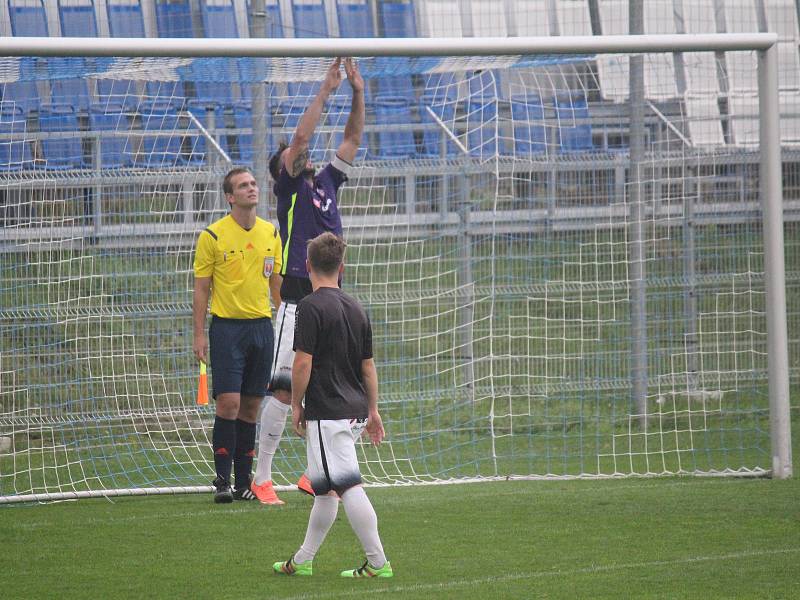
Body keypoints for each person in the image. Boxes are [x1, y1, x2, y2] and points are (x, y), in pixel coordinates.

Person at [252, 57, 365, 504]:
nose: (302, 153)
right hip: (300, 297)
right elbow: (301, 138)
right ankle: (262, 477)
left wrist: (357, 91)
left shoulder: (329, 182)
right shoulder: (289, 188)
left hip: (334, 294)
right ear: (281, 169)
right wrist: (325, 90)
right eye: (292, 156)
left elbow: (353, 137)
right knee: (284, 386)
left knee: (348, 385)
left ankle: (313, 473)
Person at [272, 232, 392, 578]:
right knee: (324, 490)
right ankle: (303, 560)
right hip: (352, 410)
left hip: (328, 413)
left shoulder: (309, 307)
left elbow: (302, 363)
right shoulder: (355, 306)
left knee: (347, 485)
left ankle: (379, 563)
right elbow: (367, 366)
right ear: (342, 266)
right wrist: (372, 411)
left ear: (306, 265)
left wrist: (296, 405)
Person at [192, 167, 283, 504]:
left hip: (262, 328)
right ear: (230, 197)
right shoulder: (212, 236)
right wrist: (199, 335)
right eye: (243, 185)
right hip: (227, 329)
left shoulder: (271, 233)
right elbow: (202, 289)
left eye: (254, 184)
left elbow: (276, 283)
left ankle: (245, 482)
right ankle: (222, 481)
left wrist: (285, 324)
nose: (251, 188)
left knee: (251, 407)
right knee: (228, 403)